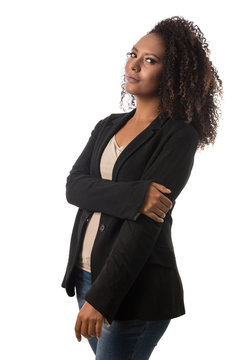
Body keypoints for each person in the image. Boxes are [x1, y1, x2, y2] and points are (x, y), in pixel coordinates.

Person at [61, 15, 223, 359]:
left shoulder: (178, 136)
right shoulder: (108, 126)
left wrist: (102, 299)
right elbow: (74, 187)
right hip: (88, 277)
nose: (133, 65)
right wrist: (137, 195)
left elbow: (145, 226)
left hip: (133, 289)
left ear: (174, 74)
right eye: (133, 54)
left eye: (149, 60)